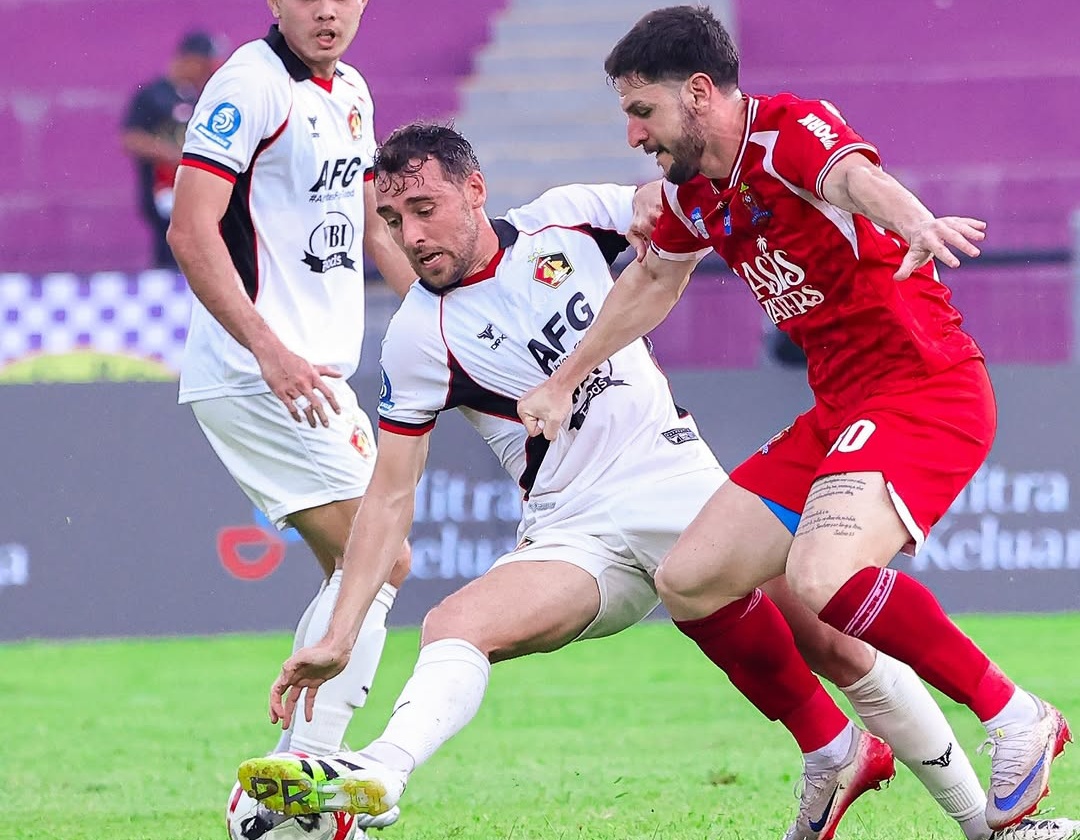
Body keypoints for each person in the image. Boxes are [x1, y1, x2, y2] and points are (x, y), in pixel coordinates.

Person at [229, 124, 1052, 840]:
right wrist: (338, 633)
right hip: (570, 531)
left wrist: (786, 185)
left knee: (834, 637)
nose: (409, 235)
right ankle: (383, 771)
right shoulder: (418, 337)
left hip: (678, 483)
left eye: (424, 209)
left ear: (475, 191)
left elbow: (674, 215)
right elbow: (391, 496)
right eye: (392, 220)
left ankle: (977, 819)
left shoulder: (568, 217)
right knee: (455, 621)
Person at [516, 6, 1072, 837]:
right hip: (841, 408)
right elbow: (650, 282)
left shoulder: (787, 131)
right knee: (691, 579)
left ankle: (1014, 712)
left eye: (643, 112)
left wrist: (913, 218)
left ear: (699, 93)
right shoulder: (692, 190)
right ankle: (831, 747)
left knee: (820, 578)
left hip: (923, 388)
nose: (634, 136)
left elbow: (849, 177)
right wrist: (565, 377)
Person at [166, 0, 416, 832]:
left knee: (362, 570)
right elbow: (191, 229)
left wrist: (447, 319)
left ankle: (290, 787)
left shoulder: (351, 91)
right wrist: (269, 349)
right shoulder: (248, 84)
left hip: (318, 374)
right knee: (376, 561)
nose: (327, 10)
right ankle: (300, 775)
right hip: (259, 372)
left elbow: (376, 228)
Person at [122, 30, 223, 269]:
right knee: (171, 252)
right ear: (189, 59)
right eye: (203, 65)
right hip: (162, 192)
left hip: (192, 192)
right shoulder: (153, 95)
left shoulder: (198, 97)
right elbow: (131, 138)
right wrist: (176, 156)